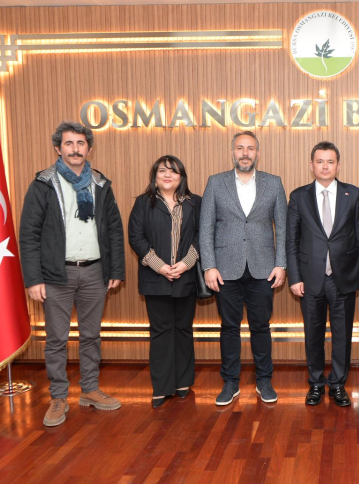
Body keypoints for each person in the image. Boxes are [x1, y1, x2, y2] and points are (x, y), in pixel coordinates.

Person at [19, 121, 125, 427]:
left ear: (88, 148)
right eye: (69, 143)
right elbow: (29, 234)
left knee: (91, 336)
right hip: (56, 275)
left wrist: (116, 269)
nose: (75, 149)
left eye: (80, 143)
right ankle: (58, 397)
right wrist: (33, 279)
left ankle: (90, 390)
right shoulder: (44, 184)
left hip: (95, 272)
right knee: (56, 339)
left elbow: (114, 230)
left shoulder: (101, 184)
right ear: (58, 148)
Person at [200, 131, 287, 405]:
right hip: (225, 269)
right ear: (233, 152)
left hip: (264, 268)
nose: (245, 153)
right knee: (229, 327)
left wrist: (281, 263)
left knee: (261, 326)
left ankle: (264, 380)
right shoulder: (216, 183)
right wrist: (209, 266)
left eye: (250, 148)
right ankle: (230, 383)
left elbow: (283, 228)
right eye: (240, 148)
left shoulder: (274, 183)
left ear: (257, 153)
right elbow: (205, 228)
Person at [286, 141, 359, 407]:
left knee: (342, 335)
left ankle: (337, 384)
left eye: (330, 161)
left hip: (343, 277)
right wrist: (294, 277)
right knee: (313, 334)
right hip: (309, 278)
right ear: (311, 165)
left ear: (338, 165)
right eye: (320, 161)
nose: (325, 166)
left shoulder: (353, 194)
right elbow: (291, 240)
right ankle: (315, 384)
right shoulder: (298, 196)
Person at [128, 155, 201, 409]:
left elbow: (202, 235)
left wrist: (186, 263)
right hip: (154, 278)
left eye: (173, 171)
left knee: (183, 329)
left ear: (182, 177)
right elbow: (136, 238)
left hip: (186, 277)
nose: (167, 175)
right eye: (162, 171)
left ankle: (183, 382)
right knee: (161, 331)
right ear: (155, 176)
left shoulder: (195, 203)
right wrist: (159, 266)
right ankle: (162, 387)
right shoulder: (143, 203)